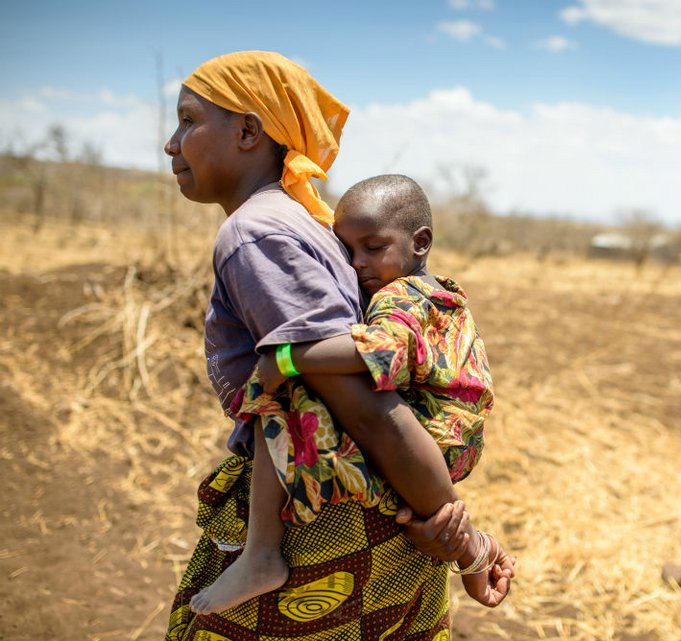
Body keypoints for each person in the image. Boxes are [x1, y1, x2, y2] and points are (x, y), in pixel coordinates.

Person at [163, 51, 513, 641]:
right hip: (393, 520)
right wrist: (458, 533)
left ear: (250, 130)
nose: (173, 144)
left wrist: (467, 542)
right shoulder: (309, 223)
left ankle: (260, 557)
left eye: (188, 121)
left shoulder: (258, 233)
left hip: (326, 531)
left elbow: (365, 407)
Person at [190, 173, 502, 614]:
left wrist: (285, 360)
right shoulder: (438, 291)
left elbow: (382, 349)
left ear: (421, 242)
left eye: (372, 248)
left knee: (281, 399)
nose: (357, 263)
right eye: (348, 251)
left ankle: (261, 554)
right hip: (449, 443)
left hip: (431, 442)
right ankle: (475, 551)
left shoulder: (403, 297)